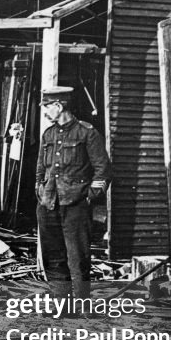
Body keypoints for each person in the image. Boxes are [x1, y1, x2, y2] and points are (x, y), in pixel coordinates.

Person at [35, 85, 112, 303]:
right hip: (48, 204)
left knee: (78, 259)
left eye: (47, 107)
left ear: (59, 106)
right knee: (53, 258)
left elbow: (103, 170)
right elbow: (41, 168)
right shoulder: (48, 134)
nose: (45, 112)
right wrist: (40, 190)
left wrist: (89, 196)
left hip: (75, 206)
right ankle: (62, 304)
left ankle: (81, 305)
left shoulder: (87, 133)